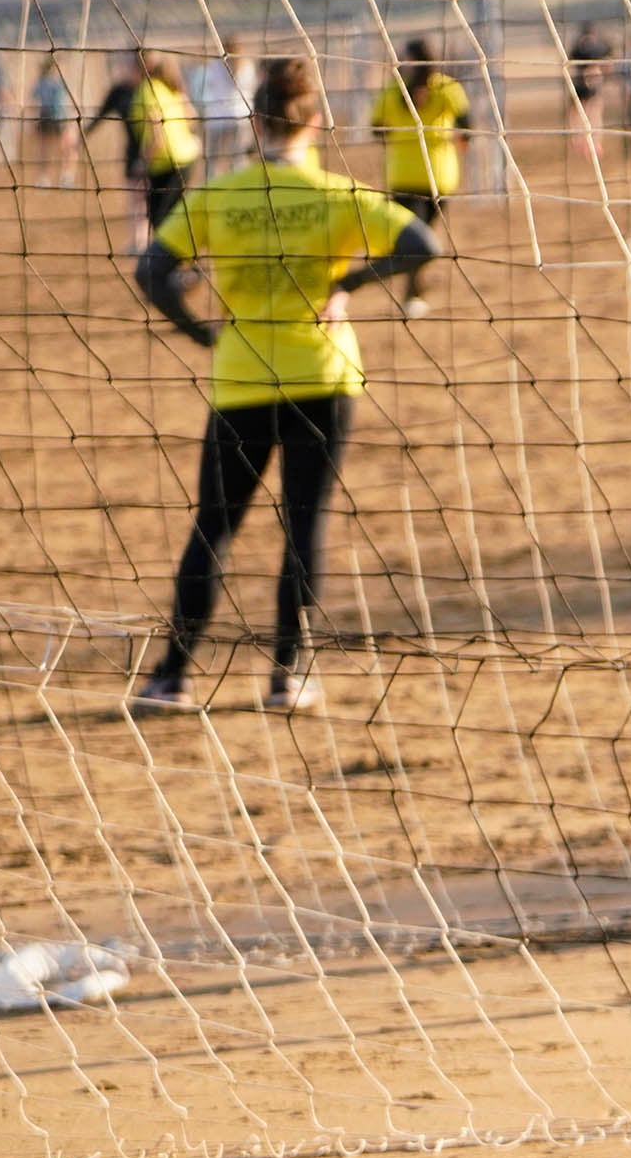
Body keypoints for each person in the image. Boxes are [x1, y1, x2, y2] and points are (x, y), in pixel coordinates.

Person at [127, 58, 439, 716]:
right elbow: (420, 244)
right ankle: (285, 677)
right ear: (316, 122)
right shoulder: (336, 195)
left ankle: (171, 678)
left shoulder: (218, 196)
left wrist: (198, 331)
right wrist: (346, 286)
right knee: (304, 525)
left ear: (255, 121)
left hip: (241, 375)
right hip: (322, 376)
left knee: (214, 527)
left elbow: (151, 268)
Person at [369, 38, 468, 317]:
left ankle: (411, 289)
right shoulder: (447, 87)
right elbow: (467, 123)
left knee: (413, 238)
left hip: (402, 174)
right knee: (422, 237)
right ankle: (413, 292)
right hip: (439, 174)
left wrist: (401, 137)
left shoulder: (391, 90)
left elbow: (376, 129)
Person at [87, 49, 200, 247]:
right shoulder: (167, 86)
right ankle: (178, 259)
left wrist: (142, 162)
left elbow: (158, 138)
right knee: (170, 214)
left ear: (140, 68)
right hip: (184, 157)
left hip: (168, 160)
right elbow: (191, 119)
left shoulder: (147, 91)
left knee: (161, 219)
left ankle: (180, 263)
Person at [186, 41, 250, 178]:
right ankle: (238, 185)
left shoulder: (215, 66)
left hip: (217, 116)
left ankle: (211, 185)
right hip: (239, 116)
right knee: (237, 158)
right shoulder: (247, 66)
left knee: (213, 159)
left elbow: (206, 86)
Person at [565, 17, 613, 161]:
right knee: (594, 113)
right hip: (591, 84)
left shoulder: (577, 45)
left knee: (577, 114)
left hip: (579, 83)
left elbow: (570, 61)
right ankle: (594, 144)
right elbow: (608, 59)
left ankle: (579, 142)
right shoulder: (598, 45)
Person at [27, 56, 77, 188]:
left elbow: (34, 102)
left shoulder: (48, 82)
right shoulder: (50, 82)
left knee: (62, 148)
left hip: (56, 118)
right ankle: (55, 177)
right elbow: (35, 102)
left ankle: (62, 177)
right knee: (58, 149)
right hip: (51, 118)